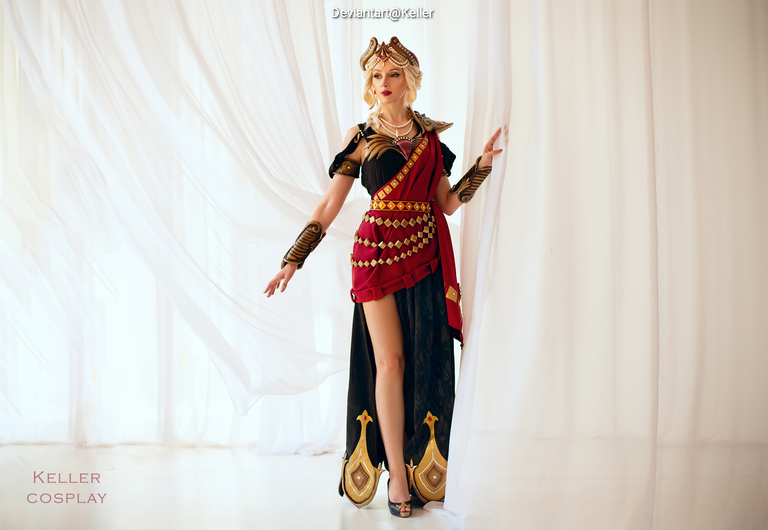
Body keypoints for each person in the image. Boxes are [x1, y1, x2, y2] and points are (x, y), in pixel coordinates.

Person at [264, 36, 501, 518]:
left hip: (425, 255)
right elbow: (330, 205)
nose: (383, 84)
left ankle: (423, 463)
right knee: (389, 362)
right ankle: (397, 475)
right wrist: (294, 257)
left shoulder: (432, 140)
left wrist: (482, 167)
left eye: (393, 75)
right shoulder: (360, 136)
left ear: (409, 80)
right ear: (369, 83)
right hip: (374, 256)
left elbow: (448, 204)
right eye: (376, 76)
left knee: (423, 359)